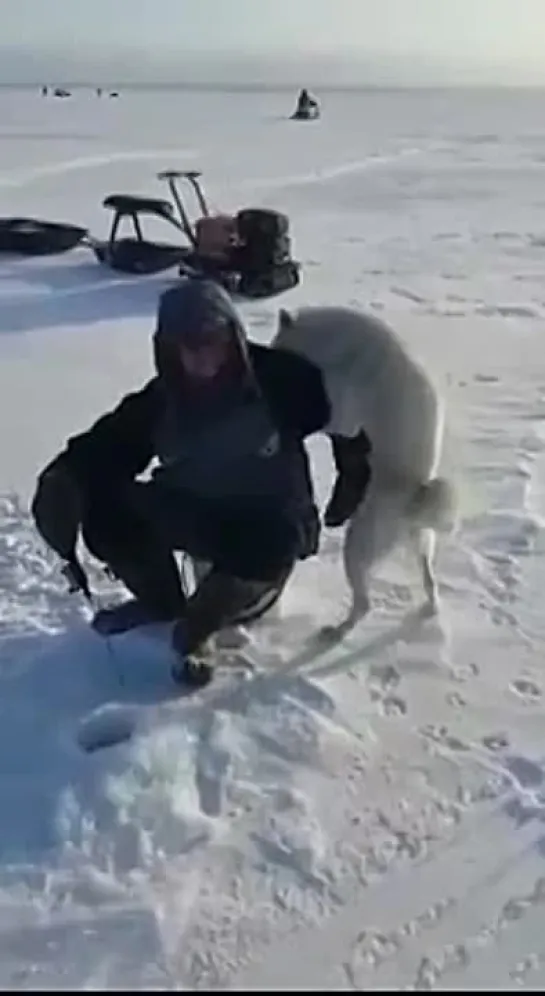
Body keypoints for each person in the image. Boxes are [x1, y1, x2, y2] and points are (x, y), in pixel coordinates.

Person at [31, 278, 372, 686]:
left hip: (265, 535)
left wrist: (353, 474)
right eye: (187, 344)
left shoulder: (282, 381)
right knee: (104, 503)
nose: (201, 355)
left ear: (232, 333)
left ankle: (200, 628)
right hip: (199, 516)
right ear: (169, 348)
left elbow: (347, 421)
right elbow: (105, 447)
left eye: (211, 339)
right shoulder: (162, 401)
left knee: (270, 542)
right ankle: (161, 602)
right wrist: (63, 480)